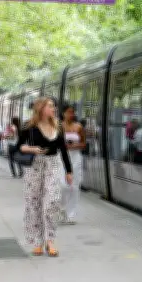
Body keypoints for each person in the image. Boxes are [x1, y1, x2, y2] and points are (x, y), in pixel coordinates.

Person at [17, 97, 73, 257]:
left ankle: (50, 241)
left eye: (53, 106)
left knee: (52, 202)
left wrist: (69, 171)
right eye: (50, 106)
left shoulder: (58, 126)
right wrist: (31, 149)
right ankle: (38, 242)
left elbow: (63, 149)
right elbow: (18, 146)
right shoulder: (28, 126)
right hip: (35, 166)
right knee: (34, 203)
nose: (53, 109)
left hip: (53, 165)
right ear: (41, 108)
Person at [60, 104, 85, 224]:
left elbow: (83, 144)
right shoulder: (58, 126)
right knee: (63, 185)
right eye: (68, 112)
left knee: (74, 187)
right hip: (62, 158)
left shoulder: (79, 127)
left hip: (76, 158)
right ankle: (61, 208)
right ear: (63, 113)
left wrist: (73, 145)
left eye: (72, 112)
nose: (71, 114)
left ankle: (71, 215)